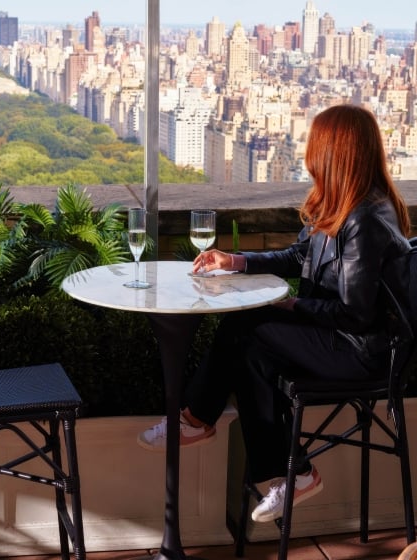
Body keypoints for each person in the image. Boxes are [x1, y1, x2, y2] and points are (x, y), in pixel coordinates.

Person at [138, 104, 412, 523]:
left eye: (316, 144)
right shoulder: (339, 203)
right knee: (250, 351)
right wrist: (237, 261)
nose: (309, 153)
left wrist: (289, 305)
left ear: (336, 151)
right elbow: (298, 255)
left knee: (246, 325)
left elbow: (356, 315)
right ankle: (290, 471)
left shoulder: (367, 219)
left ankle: (196, 420)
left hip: (362, 352)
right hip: (335, 336)